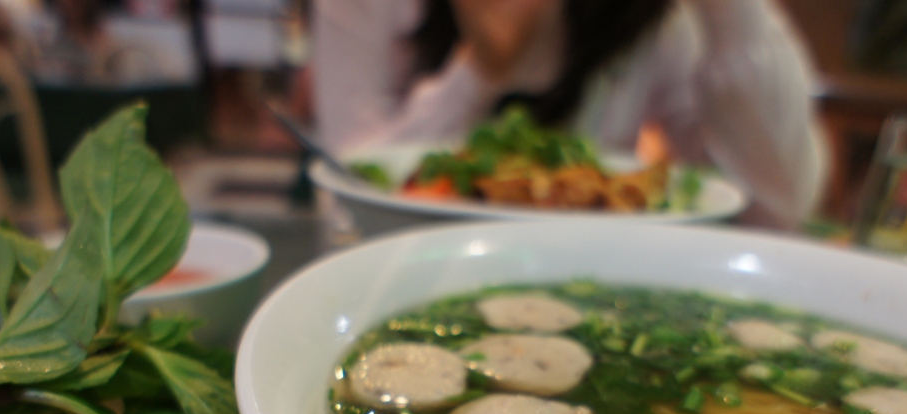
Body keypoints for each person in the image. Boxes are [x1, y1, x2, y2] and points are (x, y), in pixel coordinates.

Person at [312, 0, 828, 227]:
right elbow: (347, 196)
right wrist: (481, 72)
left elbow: (779, 207)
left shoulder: (650, 17)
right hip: (401, 276)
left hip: (596, 285)